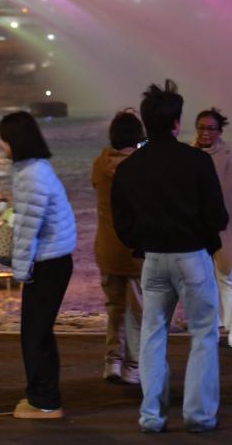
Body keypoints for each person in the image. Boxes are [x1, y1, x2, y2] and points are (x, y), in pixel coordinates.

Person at [111, 80, 228, 433]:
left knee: (152, 334)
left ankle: (151, 415)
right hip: (192, 255)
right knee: (204, 334)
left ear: (147, 123)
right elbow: (218, 216)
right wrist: (207, 239)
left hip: (153, 259)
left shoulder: (129, 167)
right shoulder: (196, 161)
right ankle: (199, 415)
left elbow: (122, 220)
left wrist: (138, 242)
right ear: (177, 123)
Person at [0, 111, 76, 420]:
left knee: (35, 334)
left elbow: (29, 227)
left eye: (2, 138)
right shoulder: (33, 169)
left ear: (14, 141)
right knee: (38, 333)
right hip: (52, 259)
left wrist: (19, 270)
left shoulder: (32, 175)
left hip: (48, 262)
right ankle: (41, 395)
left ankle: (45, 401)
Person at [92, 109, 144, 384]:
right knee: (137, 312)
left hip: (107, 249)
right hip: (135, 251)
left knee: (114, 308)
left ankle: (112, 361)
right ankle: (133, 366)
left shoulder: (100, 164)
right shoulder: (142, 166)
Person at [194, 107, 232, 347]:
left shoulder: (227, 155)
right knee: (204, 280)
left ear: (219, 131)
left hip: (226, 225)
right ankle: (211, 326)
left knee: (231, 276)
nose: (206, 133)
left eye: (211, 128)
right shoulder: (189, 153)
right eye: (202, 128)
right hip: (197, 227)